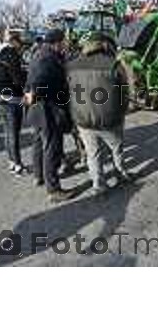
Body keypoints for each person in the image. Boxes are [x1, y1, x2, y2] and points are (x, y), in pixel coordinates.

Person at [67, 33, 130, 195]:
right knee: (116, 148)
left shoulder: (72, 65)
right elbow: (124, 94)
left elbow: (69, 93)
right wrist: (122, 112)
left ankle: (98, 184)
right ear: (106, 45)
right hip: (110, 118)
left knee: (92, 153)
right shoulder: (114, 65)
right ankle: (120, 174)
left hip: (83, 118)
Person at [24, 29, 74, 203]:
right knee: (52, 147)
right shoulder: (48, 58)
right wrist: (35, 93)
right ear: (57, 42)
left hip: (38, 110)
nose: (66, 44)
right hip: (48, 110)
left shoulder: (40, 54)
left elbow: (30, 82)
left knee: (38, 142)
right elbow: (38, 81)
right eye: (64, 41)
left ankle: (39, 176)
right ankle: (53, 189)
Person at [0, 33, 27, 175]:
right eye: (21, 43)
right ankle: (18, 163)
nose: (22, 47)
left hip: (2, 97)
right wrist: (25, 75)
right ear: (15, 43)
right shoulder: (12, 56)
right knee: (14, 133)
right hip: (13, 97)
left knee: (7, 133)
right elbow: (18, 79)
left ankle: (11, 161)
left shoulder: (0, 55)